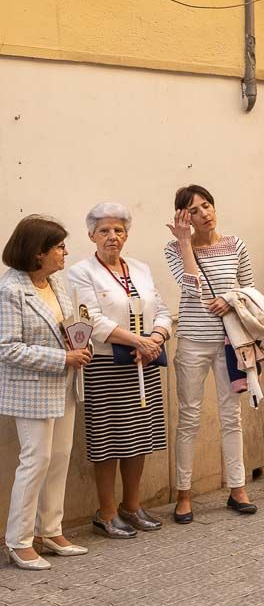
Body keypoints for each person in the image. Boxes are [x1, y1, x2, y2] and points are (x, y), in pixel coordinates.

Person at [67, 204, 171, 538]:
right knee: (109, 438)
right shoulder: (81, 272)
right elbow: (93, 320)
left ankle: (132, 505)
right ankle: (107, 512)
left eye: (119, 230)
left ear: (126, 234)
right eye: (105, 231)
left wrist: (155, 338)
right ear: (92, 235)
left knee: (139, 436)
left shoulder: (139, 268)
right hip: (107, 363)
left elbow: (163, 309)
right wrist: (139, 341)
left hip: (145, 360)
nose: (113, 237)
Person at [164, 185, 259, 522]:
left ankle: (238, 488)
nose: (204, 213)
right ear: (182, 217)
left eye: (207, 206)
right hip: (192, 341)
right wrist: (186, 243)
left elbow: (248, 289)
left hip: (230, 342)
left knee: (231, 415)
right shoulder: (174, 249)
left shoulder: (236, 245)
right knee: (188, 417)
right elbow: (191, 286)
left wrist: (231, 299)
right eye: (194, 210)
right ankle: (184, 494)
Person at [2, 216, 91, 570]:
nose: (65, 252)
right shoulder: (10, 290)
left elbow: (65, 327)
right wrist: (63, 357)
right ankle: (19, 540)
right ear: (38, 253)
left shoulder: (55, 282)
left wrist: (78, 345)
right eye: (59, 247)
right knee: (35, 461)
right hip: (32, 390)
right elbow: (7, 347)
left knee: (59, 457)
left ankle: (50, 530)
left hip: (64, 384)